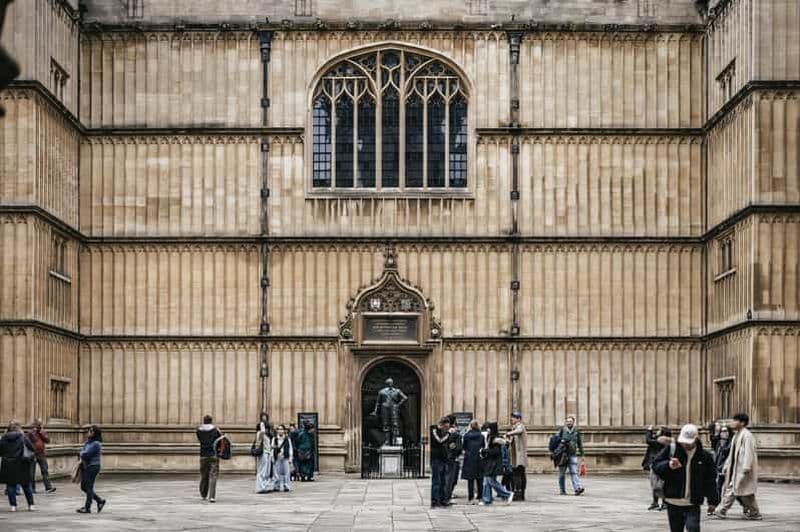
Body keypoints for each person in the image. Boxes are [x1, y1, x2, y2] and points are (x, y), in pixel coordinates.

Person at [653, 424, 719, 532]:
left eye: (689, 442)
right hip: (673, 500)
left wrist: (713, 500)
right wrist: (668, 465)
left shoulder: (704, 456)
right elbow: (655, 465)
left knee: (693, 528)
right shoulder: (672, 449)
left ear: (695, 439)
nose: (685, 445)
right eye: (684, 442)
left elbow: (710, 479)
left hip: (693, 501)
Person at [713, 412, 762, 520]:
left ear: (742, 423)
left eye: (735, 420)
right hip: (735, 468)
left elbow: (749, 453)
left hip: (742, 469)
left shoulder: (747, 436)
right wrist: (726, 465)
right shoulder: (736, 435)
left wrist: (746, 468)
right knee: (739, 491)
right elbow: (732, 453)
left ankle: (721, 510)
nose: (732, 422)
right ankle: (753, 512)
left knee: (738, 491)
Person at [0, 421, 35, 512]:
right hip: (22, 464)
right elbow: (32, 448)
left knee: (10, 486)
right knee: (26, 485)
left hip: (8, 465)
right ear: (19, 428)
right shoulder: (23, 437)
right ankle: (31, 505)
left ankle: (13, 506)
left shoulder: (3, 438)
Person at [479, 422, 513, 505]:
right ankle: (487, 499)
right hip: (490, 462)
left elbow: (496, 451)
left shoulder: (495, 439)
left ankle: (507, 494)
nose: (487, 430)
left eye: (489, 428)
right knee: (486, 481)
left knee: (491, 481)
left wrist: (484, 451)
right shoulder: (490, 437)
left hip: (494, 463)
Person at [76, 425, 106, 514]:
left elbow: (85, 454)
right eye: (89, 431)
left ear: (94, 433)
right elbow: (83, 451)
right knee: (84, 487)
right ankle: (99, 501)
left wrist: (81, 453)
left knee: (88, 487)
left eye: (90, 431)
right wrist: (82, 452)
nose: (88, 432)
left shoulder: (96, 444)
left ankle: (87, 507)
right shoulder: (88, 442)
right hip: (87, 466)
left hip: (93, 466)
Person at [643, 425, 672, 510]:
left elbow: (648, 440)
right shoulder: (661, 440)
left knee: (658, 484)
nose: (657, 431)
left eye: (659, 430)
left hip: (658, 465)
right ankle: (658, 502)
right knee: (655, 484)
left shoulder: (662, 441)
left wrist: (649, 430)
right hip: (660, 464)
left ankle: (662, 502)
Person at [557, 416, 585, 495]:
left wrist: (582, 455)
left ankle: (577, 489)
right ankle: (562, 490)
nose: (569, 422)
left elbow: (579, 443)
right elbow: (556, 441)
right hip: (563, 455)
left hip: (572, 455)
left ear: (573, 422)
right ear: (566, 422)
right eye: (568, 421)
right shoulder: (562, 430)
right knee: (562, 474)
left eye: (570, 421)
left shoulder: (576, 431)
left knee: (574, 472)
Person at [196, 415, 222, 502]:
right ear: (211, 421)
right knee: (213, 476)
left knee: (204, 475)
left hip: (203, 455)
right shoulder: (215, 430)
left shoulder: (199, 431)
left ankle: (203, 494)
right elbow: (219, 439)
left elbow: (200, 439)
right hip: (213, 455)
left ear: (204, 421)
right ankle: (212, 496)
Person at [26, 418, 55, 494]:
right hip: (33, 455)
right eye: (38, 425)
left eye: (40, 425)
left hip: (41, 454)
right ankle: (32, 489)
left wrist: (41, 433)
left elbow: (47, 440)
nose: (39, 426)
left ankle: (48, 487)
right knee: (31, 473)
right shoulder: (30, 433)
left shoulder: (42, 432)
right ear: (34, 425)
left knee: (45, 471)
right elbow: (26, 442)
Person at [429, 416, 453, 508]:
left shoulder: (445, 433)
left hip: (444, 459)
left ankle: (443, 500)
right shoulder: (434, 429)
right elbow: (439, 440)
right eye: (446, 427)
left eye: (448, 427)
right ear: (441, 425)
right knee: (436, 481)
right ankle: (435, 501)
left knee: (443, 481)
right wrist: (448, 434)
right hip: (436, 459)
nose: (447, 428)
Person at [505, 411, 527, 500]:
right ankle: (520, 494)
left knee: (517, 475)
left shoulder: (520, 426)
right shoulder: (515, 427)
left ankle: (519, 494)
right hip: (516, 456)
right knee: (520, 474)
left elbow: (519, 431)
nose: (512, 419)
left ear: (519, 419)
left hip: (519, 456)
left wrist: (508, 433)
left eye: (513, 417)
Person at [461, 420, 484, 504]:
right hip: (479, 458)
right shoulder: (481, 436)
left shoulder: (466, 435)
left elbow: (464, 447)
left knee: (470, 479)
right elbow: (483, 446)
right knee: (480, 478)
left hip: (469, 458)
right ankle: (480, 497)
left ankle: (470, 498)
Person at [444, 414, 462, 502]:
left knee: (446, 478)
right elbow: (458, 448)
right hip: (452, 458)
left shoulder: (442, 432)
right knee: (451, 479)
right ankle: (447, 497)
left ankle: (446, 495)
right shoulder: (455, 434)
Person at [271, 424, 293, 492]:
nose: (280, 431)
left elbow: (290, 449)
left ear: (284, 431)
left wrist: (290, 458)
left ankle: (286, 486)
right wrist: (272, 457)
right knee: (276, 473)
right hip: (277, 457)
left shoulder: (287, 439)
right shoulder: (274, 439)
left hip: (285, 457)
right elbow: (272, 448)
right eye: (279, 429)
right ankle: (276, 486)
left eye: (281, 429)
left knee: (286, 473)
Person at [254, 424, 273, 493]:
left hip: (268, 453)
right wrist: (262, 424)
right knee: (261, 470)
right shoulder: (260, 433)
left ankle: (265, 486)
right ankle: (260, 487)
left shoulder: (267, 435)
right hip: (263, 453)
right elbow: (262, 432)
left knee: (266, 472)